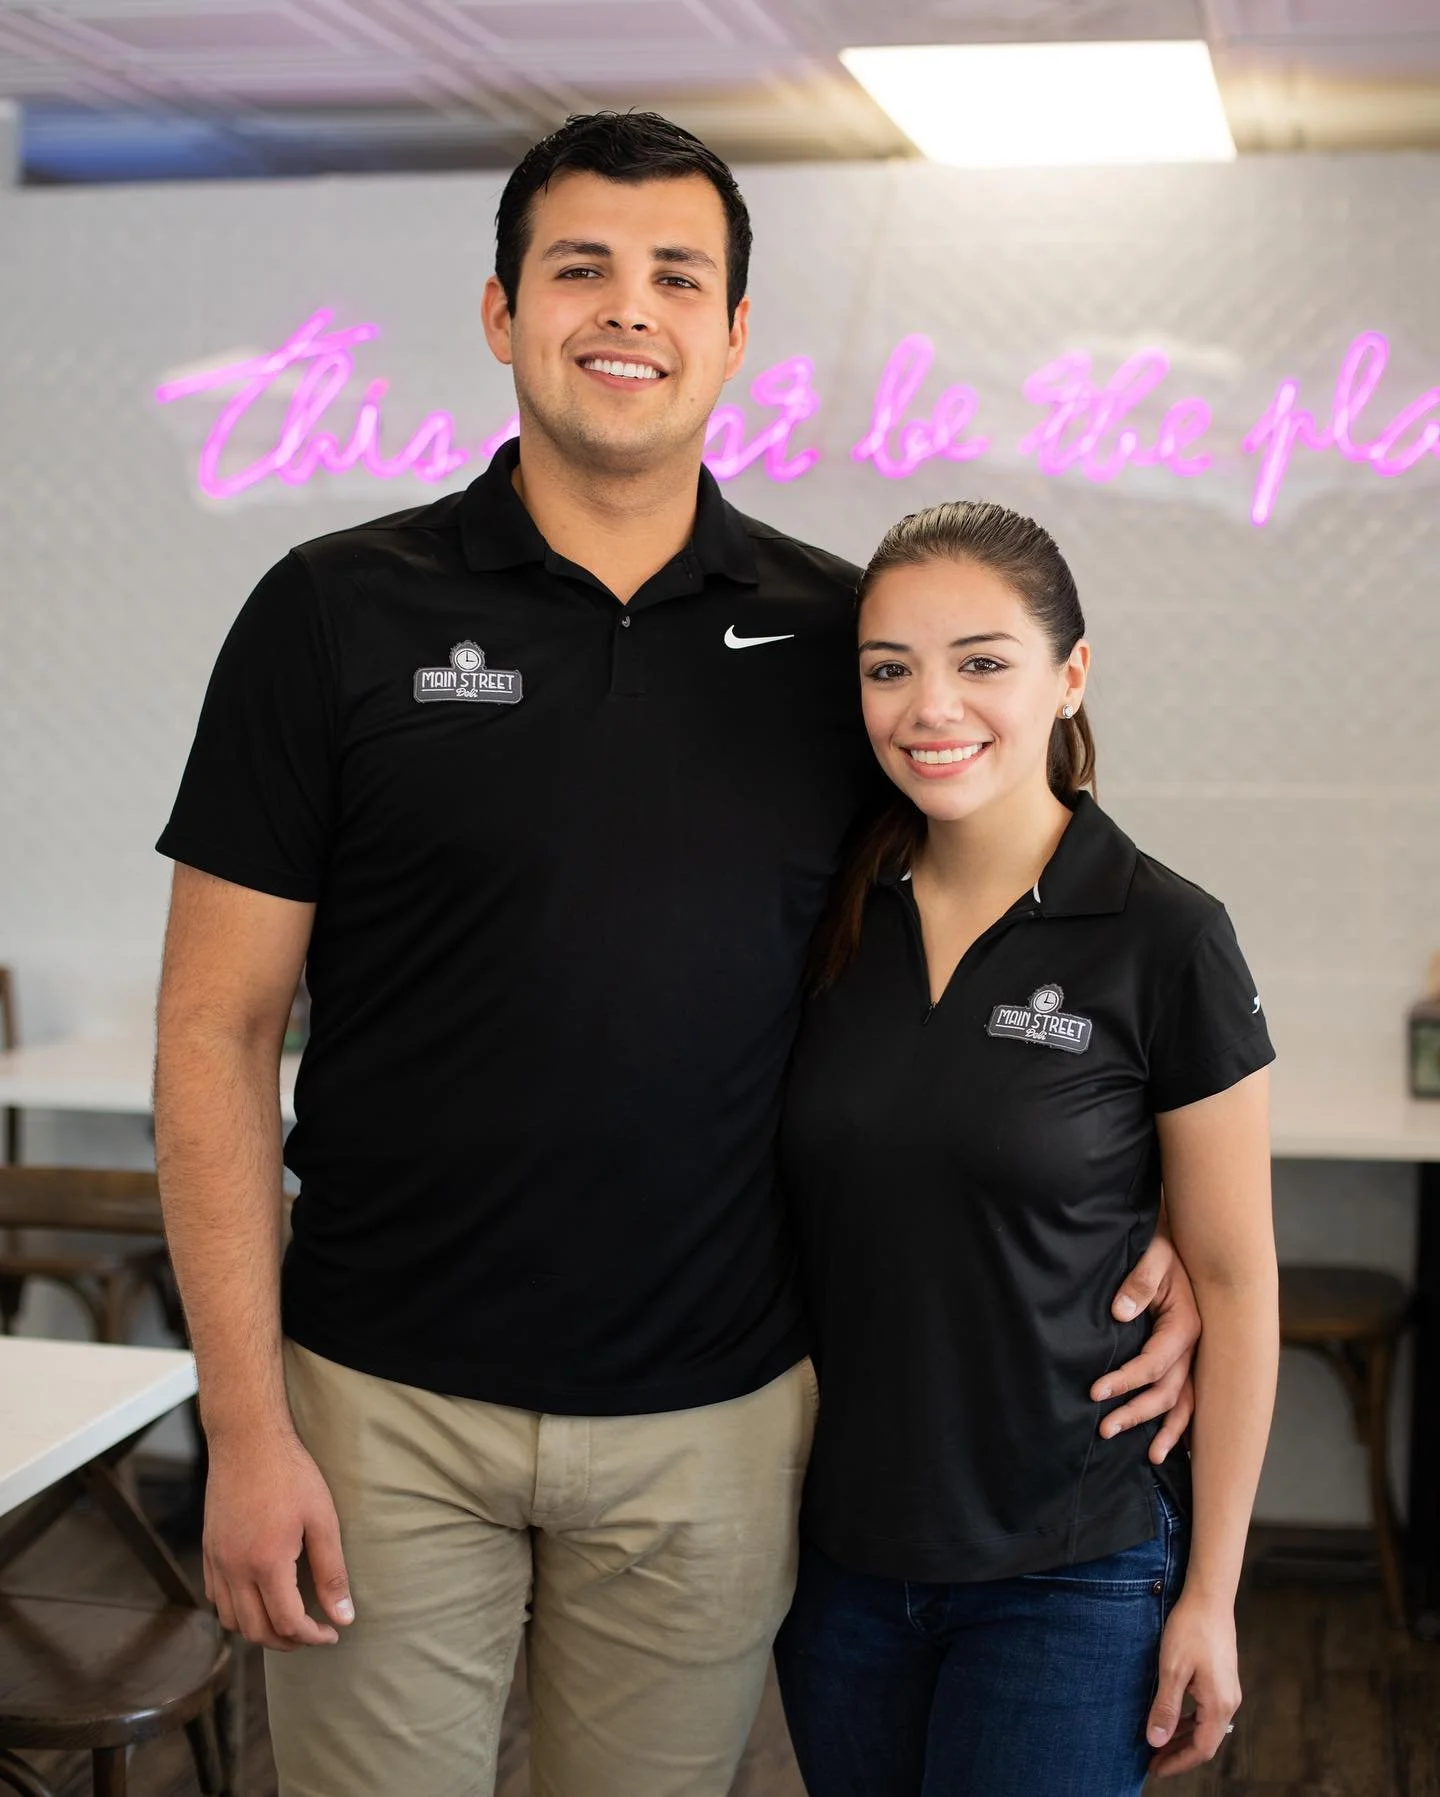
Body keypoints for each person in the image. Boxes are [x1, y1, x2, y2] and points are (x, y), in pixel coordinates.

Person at [154, 115, 1203, 1797]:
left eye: (676, 277)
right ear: (500, 311)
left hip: (717, 1424)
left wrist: (1153, 1218)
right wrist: (244, 1421)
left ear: (732, 338)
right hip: (377, 1408)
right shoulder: (333, 614)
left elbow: (1026, 931)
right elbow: (214, 1029)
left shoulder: (840, 646)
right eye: (578, 268)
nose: (623, 309)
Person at [773, 500, 1279, 1797]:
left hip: (1074, 1570)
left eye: (982, 661)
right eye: (890, 668)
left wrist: (1212, 1597)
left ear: (1071, 676)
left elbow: (1231, 1282)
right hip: (841, 1570)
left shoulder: (1166, 934)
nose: (931, 705)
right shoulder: (827, 913)